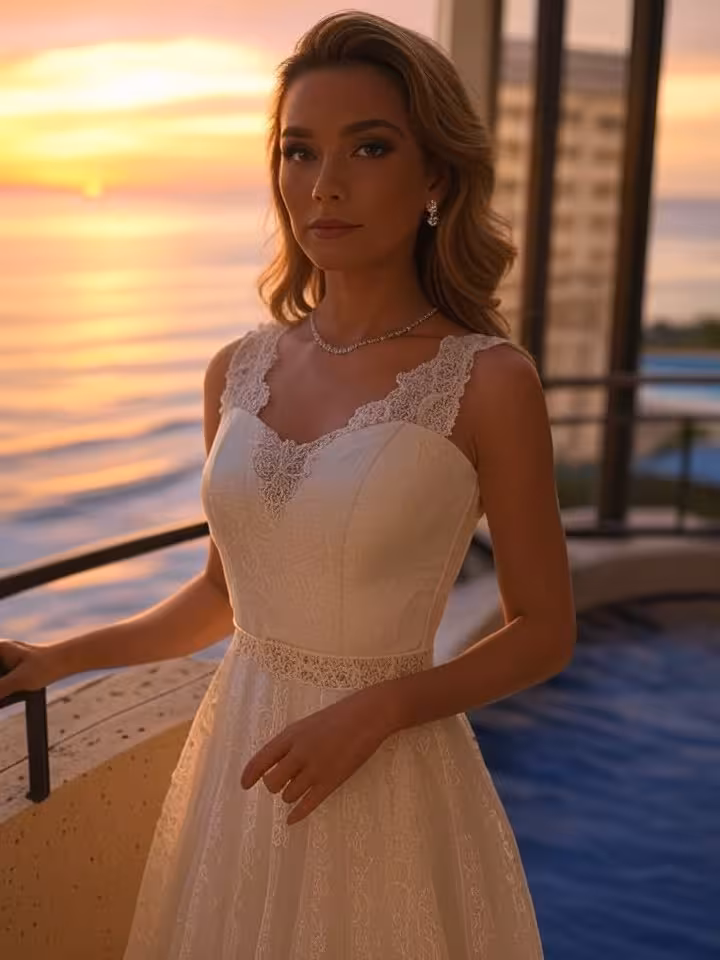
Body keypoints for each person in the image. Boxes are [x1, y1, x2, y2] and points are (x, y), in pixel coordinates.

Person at [0, 9, 577, 957]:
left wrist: (384, 706)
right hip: (238, 765)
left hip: (389, 771)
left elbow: (546, 629)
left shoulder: (490, 381)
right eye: (300, 152)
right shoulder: (236, 369)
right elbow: (227, 598)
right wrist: (61, 656)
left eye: (371, 147)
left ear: (435, 176)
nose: (327, 184)